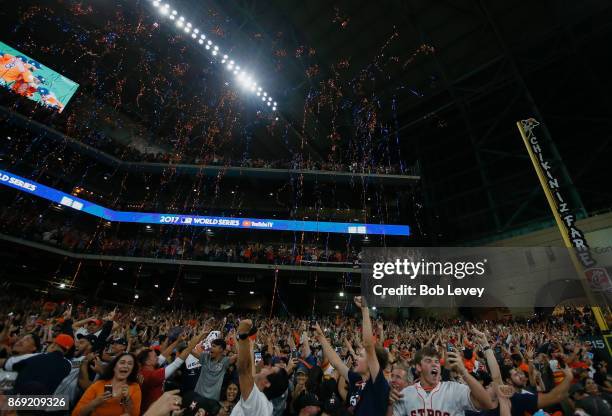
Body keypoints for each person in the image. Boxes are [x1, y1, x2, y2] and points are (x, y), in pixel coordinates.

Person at [314, 296, 390, 416]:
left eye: (360, 355)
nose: (355, 357)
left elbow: (369, 346)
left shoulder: (378, 384)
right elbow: (337, 363)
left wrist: (365, 310)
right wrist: (320, 337)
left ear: (371, 362)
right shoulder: (357, 380)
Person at [391, 346, 495, 416]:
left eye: (436, 361)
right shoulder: (406, 393)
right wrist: (389, 404)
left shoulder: (454, 389)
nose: (435, 364)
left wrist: (464, 372)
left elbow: (487, 403)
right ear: (418, 367)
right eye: (428, 361)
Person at [137, 330, 207, 413]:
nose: (158, 357)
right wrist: (194, 342)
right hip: (152, 411)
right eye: (155, 356)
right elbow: (177, 362)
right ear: (148, 362)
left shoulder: (147, 368)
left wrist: (178, 341)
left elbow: (164, 354)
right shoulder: (152, 376)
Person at [230, 319, 289, 415]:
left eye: (270, 368)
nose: (267, 366)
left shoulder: (257, 402)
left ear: (267, 383)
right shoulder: (264, 402)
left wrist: (243, 334)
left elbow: (244, 370)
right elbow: (251, 373)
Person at [72, 352, 141, 416]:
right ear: (114, 367)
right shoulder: (99, 384)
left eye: (130, 364)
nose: (126, 366)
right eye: (122, 362)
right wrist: (94, 403)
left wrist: (127, 399)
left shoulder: (135, 387)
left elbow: (134, 414)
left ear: (132, 369)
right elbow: (76, 413)